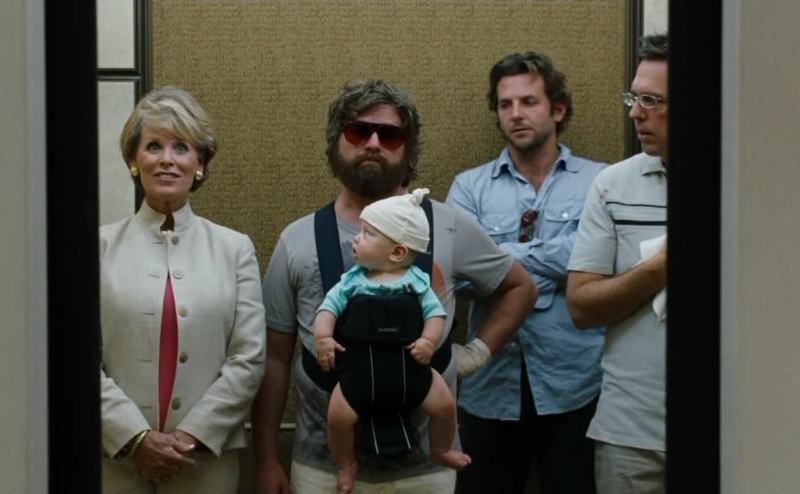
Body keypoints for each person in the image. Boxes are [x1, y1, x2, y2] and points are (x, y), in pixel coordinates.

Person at [252, 79, 537, 494]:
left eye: (388, 135)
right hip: (322, 467)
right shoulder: (297, 240)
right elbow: (274, 358)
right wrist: (265, 459)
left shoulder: (448, 225)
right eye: (358, 131)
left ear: (408, 149)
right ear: (336, 142)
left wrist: (475, 353)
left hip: (425, 470)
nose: (373, 143)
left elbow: (520, 288)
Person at [446, 52, 606, 494]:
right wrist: (558, 264)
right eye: (505, 104)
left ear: (558, 109)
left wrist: (500, 262)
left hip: (576, 384)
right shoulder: (469, 187)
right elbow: (457, 273)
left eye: (529, 101)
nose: (515, 113)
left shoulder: (600, 182)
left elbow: (599, 263)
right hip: (490, 387)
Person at [100, 86, 267, 493]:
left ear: (200, 164)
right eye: (153, 146)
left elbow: (249, 358)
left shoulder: (234, 249)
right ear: (133, 160)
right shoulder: (97, 248)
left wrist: (190, 437)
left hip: (204, 464)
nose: (167, 159)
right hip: (115, 462)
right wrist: (136, 438)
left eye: (181, 147)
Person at [314, 188, 471, 494]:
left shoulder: (417, 281)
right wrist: (323, 338)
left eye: (368, 234)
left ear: (397, 252)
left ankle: (440, 449)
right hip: (360, 375)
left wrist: (428, 342)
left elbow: (435, 315)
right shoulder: (351, 280)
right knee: (337, 419)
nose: (356, 239)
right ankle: (346, 463)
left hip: (411, 371)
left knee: (444, 406)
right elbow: (327, 309)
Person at [566, 33, 669, 494]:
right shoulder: (613, 185)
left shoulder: (751, 182)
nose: (635, 113)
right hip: (631, 433)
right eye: (634, 98)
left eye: (651, 100)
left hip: (735, 424)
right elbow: (581, 306)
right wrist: (658, 268)